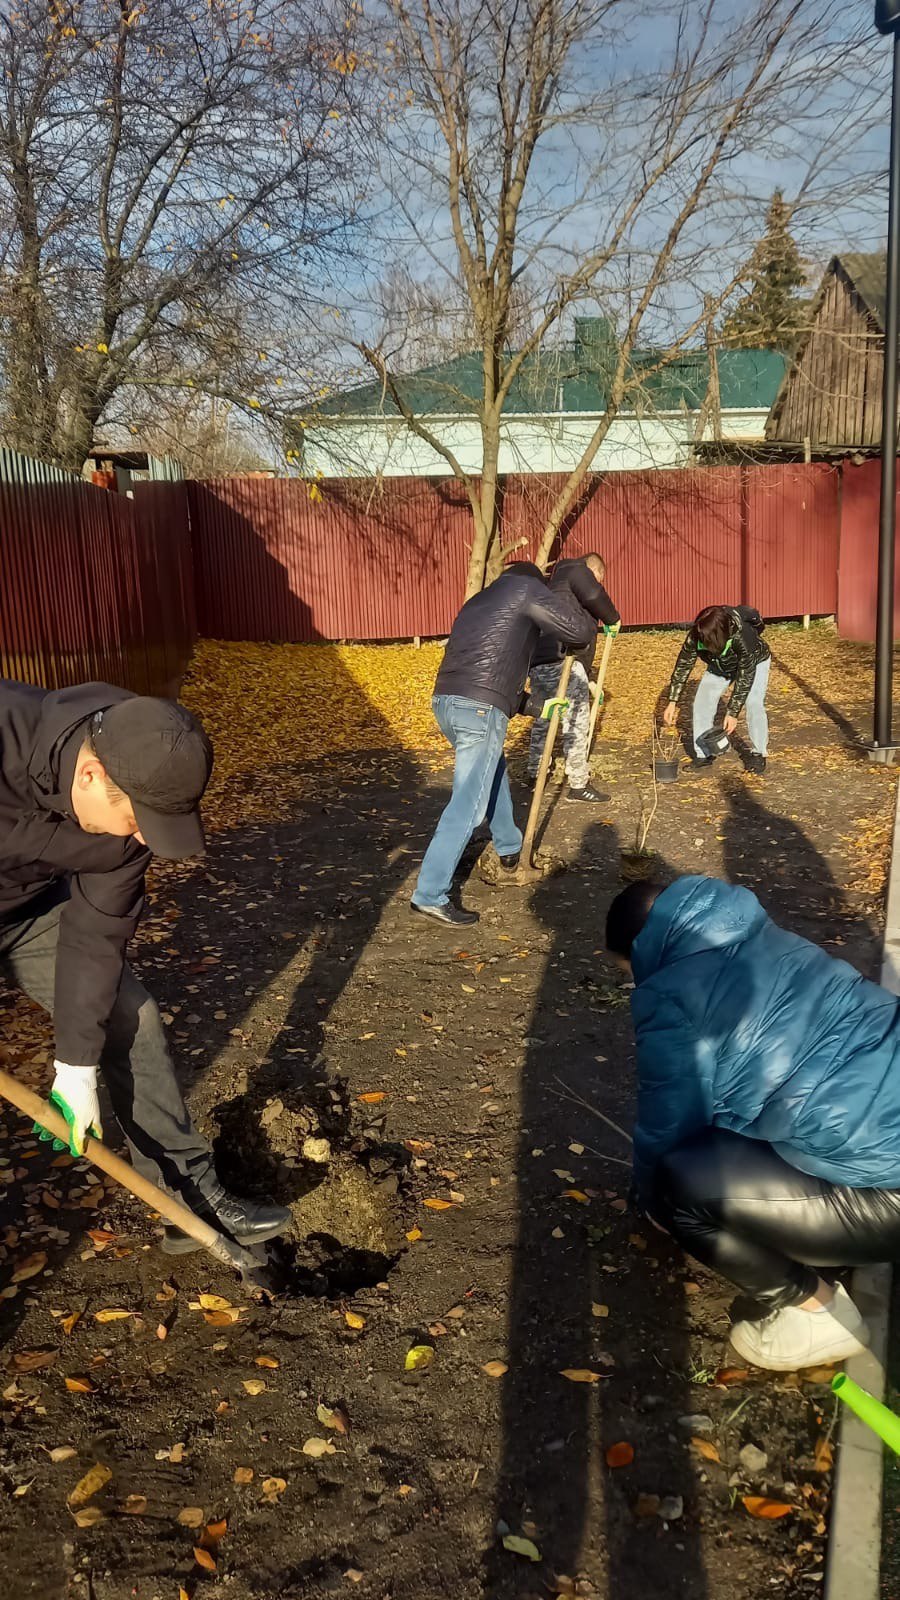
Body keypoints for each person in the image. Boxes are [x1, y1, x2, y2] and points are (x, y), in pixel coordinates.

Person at [0, 679, 291, 1255]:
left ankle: (186, 1199)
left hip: (24, 912)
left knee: (132, 1015)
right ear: (90, 776)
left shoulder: (135, 800)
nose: (139, 838)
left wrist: (76, 1067)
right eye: (134, 820)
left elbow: (96, 933)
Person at [602, 872, 900, 1371]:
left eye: (626, 967)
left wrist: (652, 1202)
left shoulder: (669, 994)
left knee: (683, 1180)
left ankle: (814, 1313)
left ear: (642, 949)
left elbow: (670, 1123)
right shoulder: (775, 940)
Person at [410, 561, 594, 927]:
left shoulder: (479, 601)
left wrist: (541, 706)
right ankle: (429, 894)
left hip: (447, 702)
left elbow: (491, 675)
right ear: (532, 582)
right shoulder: (526, 590)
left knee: (492, 773)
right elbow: (578, 632)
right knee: (470, 804)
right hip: (478, 710)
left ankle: (510, 848)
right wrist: (586, 607)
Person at [526, 553, 620, 803]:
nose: (599, 584)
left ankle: (536, 772)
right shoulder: (576, 570)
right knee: (577, 719)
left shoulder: (554, 583)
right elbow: (593, 596)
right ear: (595, 572)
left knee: (545, 715)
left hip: (539, 661)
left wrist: (589, 682)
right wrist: (613, 618)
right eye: (600, 579)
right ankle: (578, 783)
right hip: (562, 657)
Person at [663, 604, 770, 775]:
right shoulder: (696, 636)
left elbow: (745, 677)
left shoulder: (742, 637)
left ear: (718, 634)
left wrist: (733, 712)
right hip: (720, 666)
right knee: (701, 703)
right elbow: (683, 665)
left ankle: (759, 753)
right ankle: (704, 753)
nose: (701, 640)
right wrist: (672, 701)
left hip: (755, 662)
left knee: (753, 703)